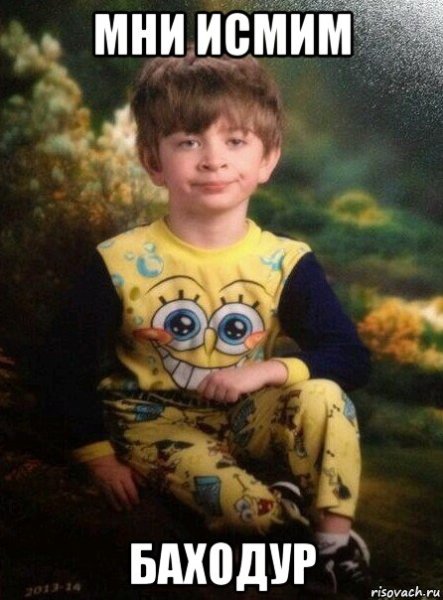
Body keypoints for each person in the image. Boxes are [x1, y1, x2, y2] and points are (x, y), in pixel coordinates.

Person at [41, 49, 371, 596]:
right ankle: (285, 521)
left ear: (267, 160)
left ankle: (336, 544)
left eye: (235, 141)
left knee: (326, 395)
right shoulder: (119, 261)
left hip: (247, 415)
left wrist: (264, 372)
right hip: (157, 427)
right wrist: (97, 459)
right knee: (251, 514)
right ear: (153, 161)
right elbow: (60, 366)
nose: (213, 160)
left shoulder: (286, 261)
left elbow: (351, 359)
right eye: (189, 142)